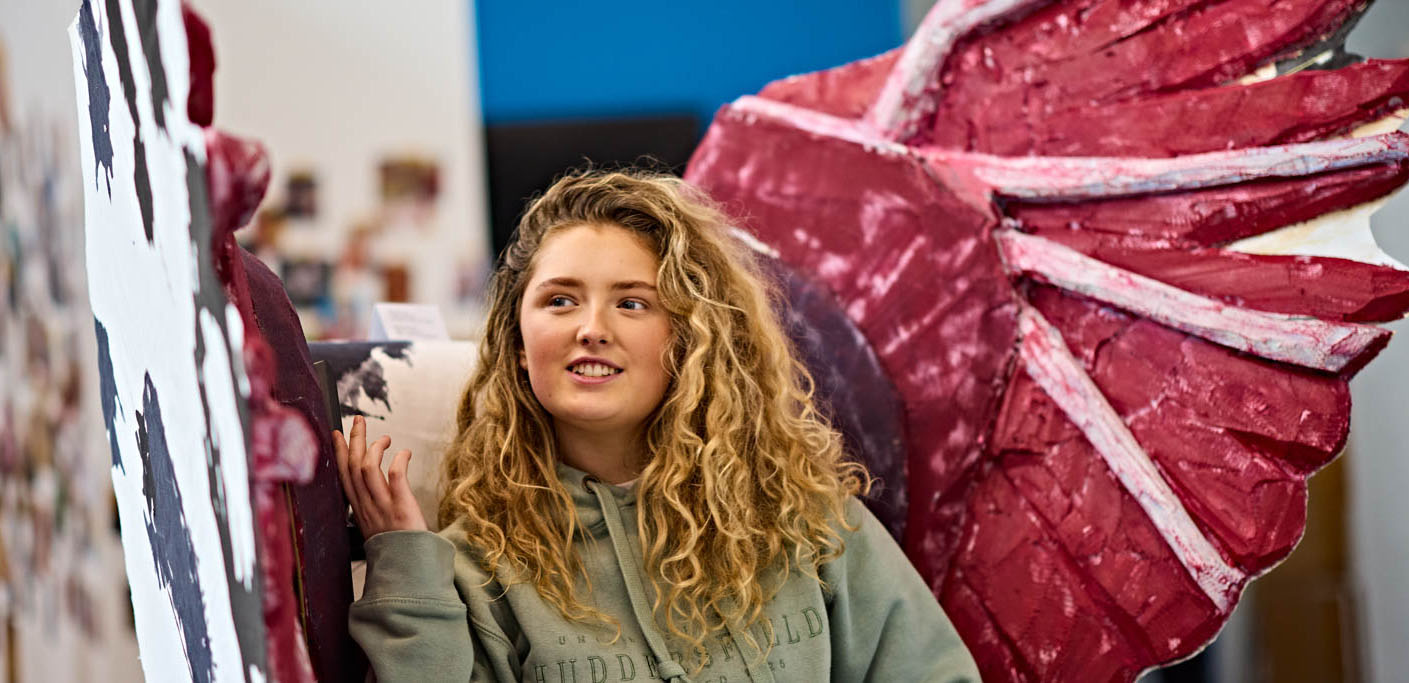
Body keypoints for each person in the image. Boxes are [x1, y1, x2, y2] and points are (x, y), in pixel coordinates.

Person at [336, 170, 979, 682]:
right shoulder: (474, 567)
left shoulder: (812, 525)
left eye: (632, 302)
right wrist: (409, 574)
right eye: (560, 299)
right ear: (515, 337)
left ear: (693, 336)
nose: (592, 328)